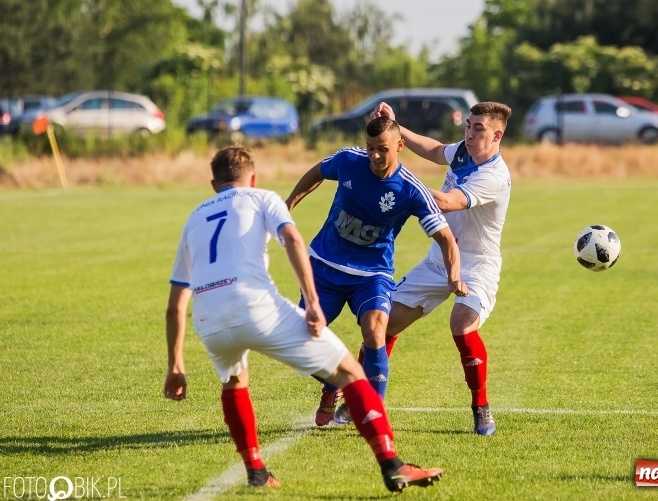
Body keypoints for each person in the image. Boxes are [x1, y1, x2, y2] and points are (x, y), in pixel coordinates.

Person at [163, 146, 444, 492]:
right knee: (350, 372)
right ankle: (392, 464)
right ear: (253, 178)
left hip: (209, 320)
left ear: (213, 184)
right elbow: (294, 239)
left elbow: (176, 303)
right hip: (256, 308)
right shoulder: (262, 197)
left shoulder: (194, 218)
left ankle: (256, 470)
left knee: (235, 382)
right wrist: (312, 303)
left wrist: (175, 364)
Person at [286, 116, 467, 427]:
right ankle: (334, 386)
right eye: (370, 148)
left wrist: (454, 276)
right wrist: (288, 204)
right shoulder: (348, 160)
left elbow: (446, 238)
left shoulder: (411, 190)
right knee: (304, 340)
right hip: (324, 265)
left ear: (399, 146)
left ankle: (373, 412)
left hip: (372, 273)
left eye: (382, 149)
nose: (375, 156)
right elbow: (317, 171)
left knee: (375, 330)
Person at [368, 101, 513, 436]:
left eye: (479, 129)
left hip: (478, 266)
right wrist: (395, 126)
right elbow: (434, 149)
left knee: (461, 325)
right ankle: (367, 398)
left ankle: (481, 407)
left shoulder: (494, 175)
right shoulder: (463, 150)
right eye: (469, 126)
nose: (470, 133)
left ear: (497, 135)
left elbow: (448, 201)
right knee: (383, 324)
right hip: (438, 260)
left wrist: (396, 177)